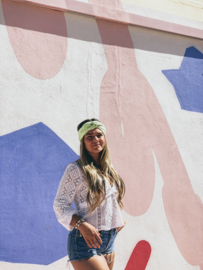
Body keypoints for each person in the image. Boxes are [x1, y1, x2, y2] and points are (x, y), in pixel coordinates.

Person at [54, 119, 126, 270]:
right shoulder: (76, 169)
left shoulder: (109, 170)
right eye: (89, 137)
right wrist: (82, 225)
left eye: (99, 135)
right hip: (84, 241)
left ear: (104, 137)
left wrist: (117, 220)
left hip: (108, 241)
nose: (95, 139)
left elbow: (111, 200)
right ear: (83, 142)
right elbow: (60, 204)